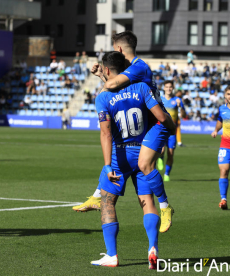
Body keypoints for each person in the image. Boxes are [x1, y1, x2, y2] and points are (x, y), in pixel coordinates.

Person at [75, 31, 175, 234]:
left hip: (157, 122)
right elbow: (114, 84)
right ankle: (97, 195)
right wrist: (103, 74)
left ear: (119, 49)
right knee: (115, 145)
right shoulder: (133, 68)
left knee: (144, 163)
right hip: (150, 122)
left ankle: (166, 207)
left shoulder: (138, 67)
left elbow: (111, 85)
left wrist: (105, 78)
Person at [90, 51, 175, 268]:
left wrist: (108, 164)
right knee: (147, 203)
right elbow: (160, 117)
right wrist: (167, 134)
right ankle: (152, 248)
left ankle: (112, 255)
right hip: (143, 151)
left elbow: (106, 133)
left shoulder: (103, 97)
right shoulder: (141, 88)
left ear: (107, 70)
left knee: (108, 201)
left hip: (120, 155)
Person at [157, 81, 186, 181]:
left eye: (170, 87)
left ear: (172, 88)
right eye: (167, 87)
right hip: (161, 129)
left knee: (170, 153)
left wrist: (180, 107)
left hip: (172, 131)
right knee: (161, 150)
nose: (169, 89)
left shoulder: (177, 100)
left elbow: (184, 114)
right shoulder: (159, 99)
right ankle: (160, 158)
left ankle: (166, 174)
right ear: (164, 88)